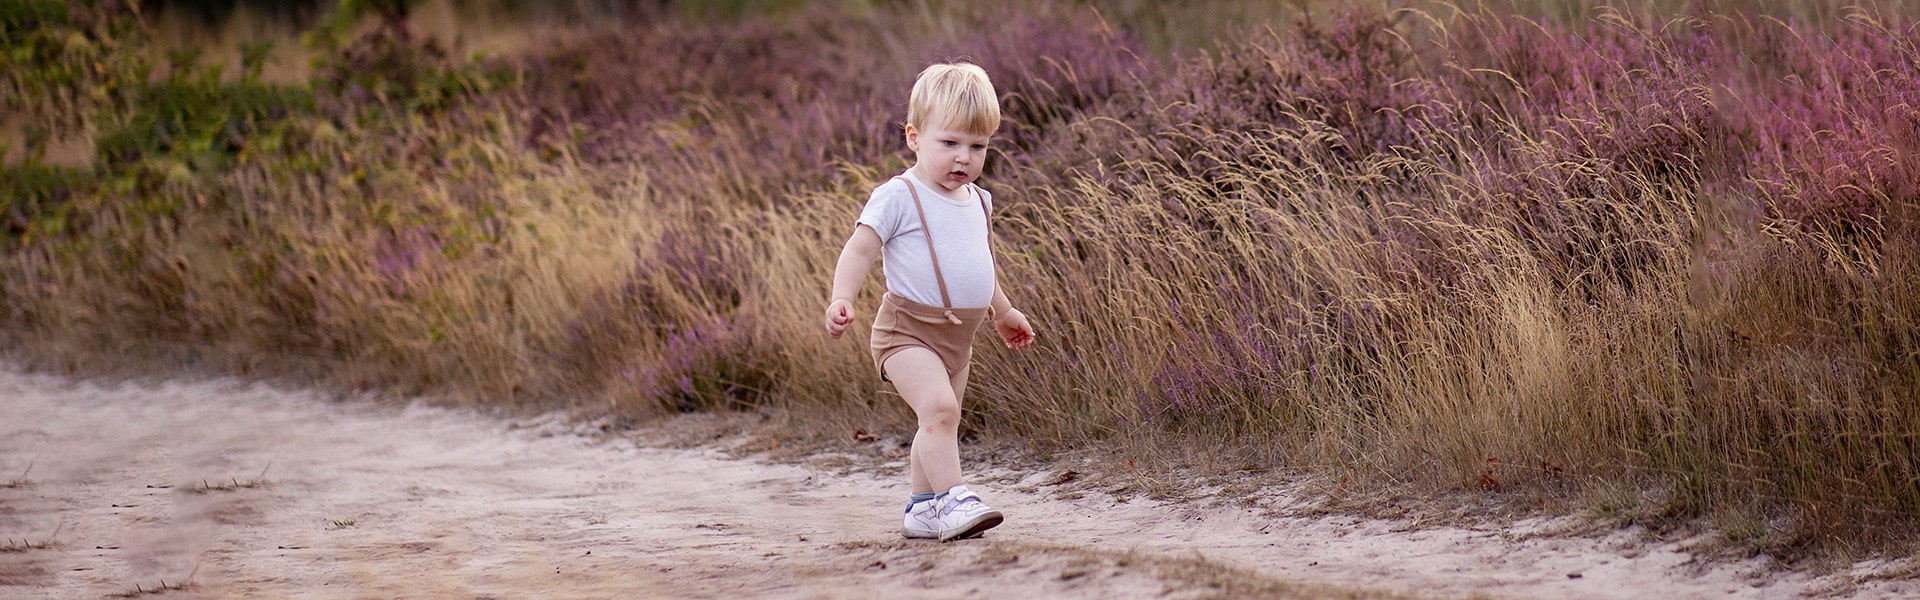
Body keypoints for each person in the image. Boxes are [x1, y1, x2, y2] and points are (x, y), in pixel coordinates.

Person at [822, 62, 1037, 542]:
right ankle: (954, 499)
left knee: (938, 421)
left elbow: (980, 264)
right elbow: (860, 249)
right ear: (914, 138)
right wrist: (842, 298)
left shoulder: (978, 200)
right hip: (906, 331)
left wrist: (1002, 311)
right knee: (940, 409)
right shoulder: (899, 195)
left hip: (960, 337)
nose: (964, 157)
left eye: (977, 146)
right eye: (950, 143)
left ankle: (922, 508)